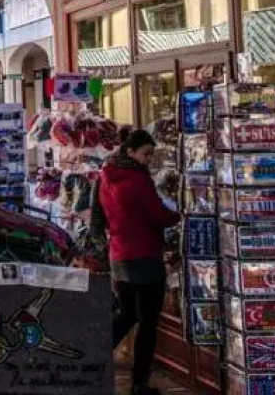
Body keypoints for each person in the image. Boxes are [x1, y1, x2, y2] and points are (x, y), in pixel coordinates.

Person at [98, 127, 179, 395]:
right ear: (130, 151)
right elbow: (158, 214)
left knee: (127, 314)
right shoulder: (137, 179)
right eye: (146, 153)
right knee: (147, 322)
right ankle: (140, 383)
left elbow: (103, 215)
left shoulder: (107, 177)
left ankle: (94, 353)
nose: (148, 159)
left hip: (119, 256)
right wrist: (179, 215)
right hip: (144, 256)